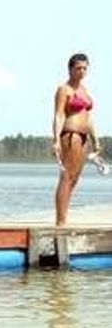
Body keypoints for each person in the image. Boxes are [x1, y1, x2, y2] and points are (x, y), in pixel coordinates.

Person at [53, 52, 101, 226]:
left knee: (75, 178)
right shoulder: (64, 89)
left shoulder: (85, 91)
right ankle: (60, 221)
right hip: (70, 135)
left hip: (84, 138)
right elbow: (58, 115)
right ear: (70, 69)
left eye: (85, 68)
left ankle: (64, 215)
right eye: (78, 68)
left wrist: (96, 140)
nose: (82, 71)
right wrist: (56, 139)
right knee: (66, 176)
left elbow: (88, 117)